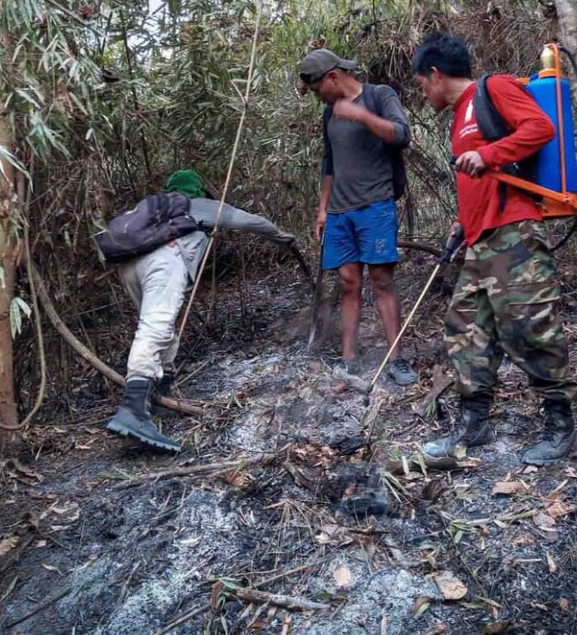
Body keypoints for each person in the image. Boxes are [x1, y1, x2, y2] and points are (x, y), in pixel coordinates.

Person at [411, 33, 577, 466]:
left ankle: (560, 425)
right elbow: (479, 176)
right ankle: (474, 424)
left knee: (529, 327)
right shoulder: (457, 117)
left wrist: (488, 155)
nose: (423, 93)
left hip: (513, 233)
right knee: (467, 330)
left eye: (421, 84)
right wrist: (461, 221)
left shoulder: (494, 88)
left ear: (435, 73)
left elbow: (541, 129)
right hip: (479, 237)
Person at [106, 169, 294, 453]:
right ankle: (133, 410)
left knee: (158, 327)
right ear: (198, 189)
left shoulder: (154, 208)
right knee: (155, 327)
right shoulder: (201, 205)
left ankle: (159, 391)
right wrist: (282, 237)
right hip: (164, 261)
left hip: (130, 265)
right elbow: (252, 222)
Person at [299, 48, 418, 385]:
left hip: (375, 204)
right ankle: (349, 358)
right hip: (339, 212)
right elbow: (330, 162)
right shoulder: (329, 114)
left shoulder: (380, 95)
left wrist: (361, 116)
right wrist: (322, 209)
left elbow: (401, 134)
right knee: (348, 283)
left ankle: (396, 358)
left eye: (317, 89)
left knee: (382, 280)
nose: (317, 97)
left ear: (333, 77)